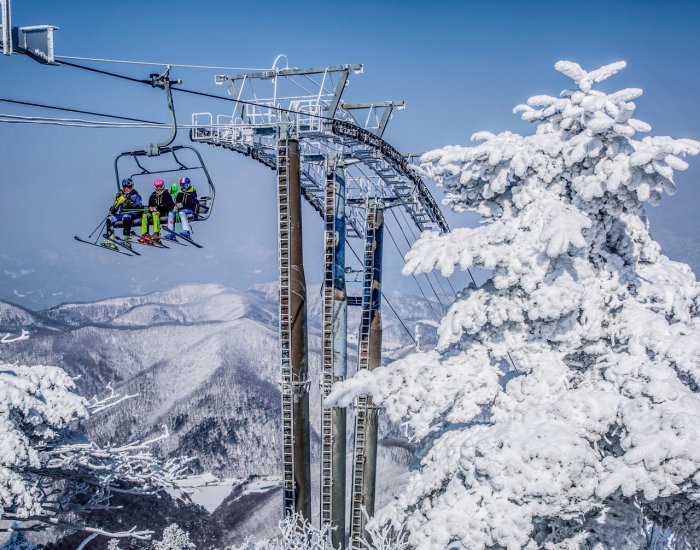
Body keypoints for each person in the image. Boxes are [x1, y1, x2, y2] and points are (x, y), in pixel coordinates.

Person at [104, 179, 143, 249]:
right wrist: (113, 209)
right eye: (126, 187)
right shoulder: (120, 195)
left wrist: (130, 202)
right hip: (122, 213)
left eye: (130, 187)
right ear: (123, 187)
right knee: (110, 219)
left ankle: (127, 240)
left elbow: (139, 207)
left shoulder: (136, 195)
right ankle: (111, 240)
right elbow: (116, 208)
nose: (128, 188)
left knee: (126, 216)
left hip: (133, 213)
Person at [140, 179, 175, 244]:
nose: (159, 188)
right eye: (157, 187)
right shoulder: (153, 195)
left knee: (155, 214)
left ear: (163, 186)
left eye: (160, 186)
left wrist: (157, 208)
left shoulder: (166, 194)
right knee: (144, 215)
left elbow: (168, 205)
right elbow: (150, 204)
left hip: (164, 212)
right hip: (154, 212)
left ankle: (156, 233)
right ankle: (145, 234)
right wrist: (150, 208)